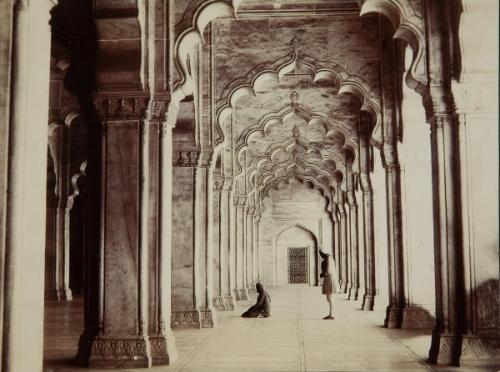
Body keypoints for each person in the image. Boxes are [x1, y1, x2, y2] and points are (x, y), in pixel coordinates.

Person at [319, 248, 339, 320]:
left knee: (330, 298)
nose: (320, 255)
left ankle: (331, 314)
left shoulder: (329, 259)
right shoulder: (328, 258)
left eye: (321, 253)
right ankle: (330, 313)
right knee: (329, 298)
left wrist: (323, 274)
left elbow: (329, 271)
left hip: (330, 279)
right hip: (328, 279)